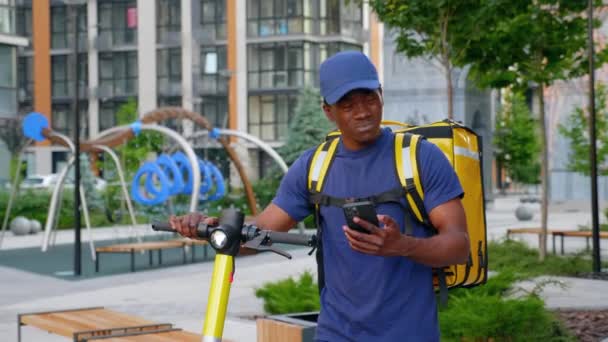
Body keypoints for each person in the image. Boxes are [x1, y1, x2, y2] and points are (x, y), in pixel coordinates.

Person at [170, 51, 470, 341]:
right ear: (328, 111)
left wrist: (402, 245)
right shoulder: (314, 167)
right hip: (335, 334)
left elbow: (459, 246)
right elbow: (257, 236)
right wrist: (214, 230)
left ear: (381, 95)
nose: (363, 111)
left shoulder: (419, 158)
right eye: (348, 104)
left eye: (369, 98)